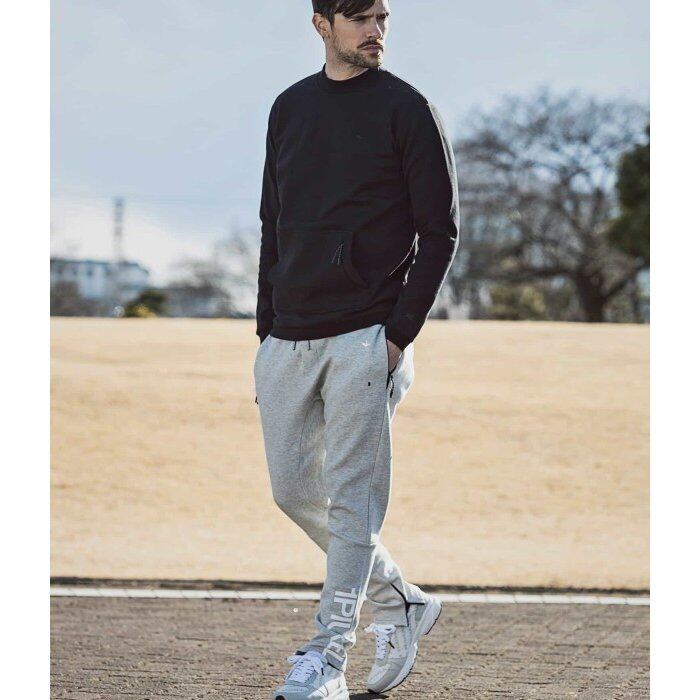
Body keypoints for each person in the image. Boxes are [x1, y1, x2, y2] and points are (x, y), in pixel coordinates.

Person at [253, 1, 459, 697]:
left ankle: (328, 657)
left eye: (382, 18)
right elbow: (273, 222)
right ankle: (399, 597)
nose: (376, 31)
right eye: (360, 18)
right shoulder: (290, 108)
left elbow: (441, 231)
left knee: (352, 505)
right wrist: (265, 327)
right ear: (322, 24)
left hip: (366, 336)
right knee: (292, 491)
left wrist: (396, 336)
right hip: (288, 334)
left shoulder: (408, 108)